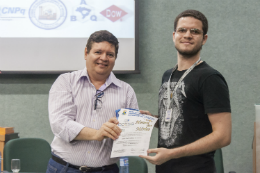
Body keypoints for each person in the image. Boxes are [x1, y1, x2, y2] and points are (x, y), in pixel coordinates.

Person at [140, 10, 231, 173]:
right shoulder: (168, 75)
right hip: (164, 168)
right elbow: (185, 123)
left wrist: (172, 154)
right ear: (174, 35)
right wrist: (152, 120)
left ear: (204, 39)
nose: (187, 35)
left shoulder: (210, 78)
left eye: (195, 31)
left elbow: (223, 136)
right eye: (182, 30)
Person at [47, 30, 138, 173]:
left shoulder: (126, 91)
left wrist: (138, 126)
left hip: (106, 170)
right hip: (63, 168)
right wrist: (97, 134)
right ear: (86, 53)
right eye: (98, 52)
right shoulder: (66, 82)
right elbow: (60, 124)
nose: (104, 58)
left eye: (110, 54)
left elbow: (130, 138)